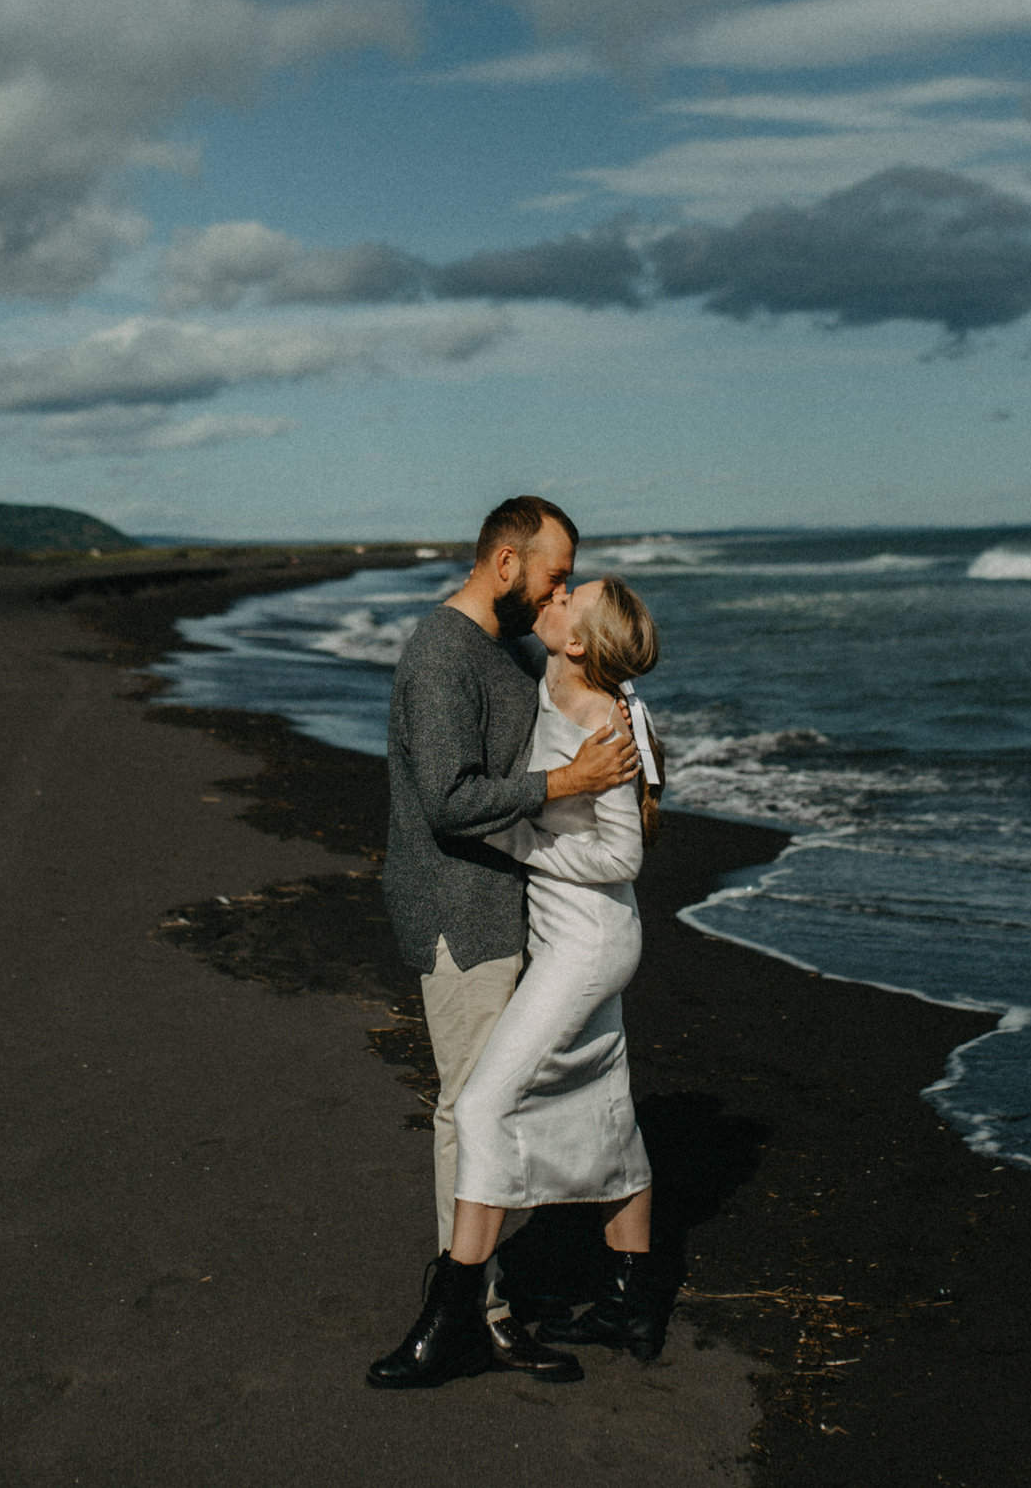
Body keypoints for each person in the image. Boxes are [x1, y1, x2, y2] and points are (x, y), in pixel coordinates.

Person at [365, 498, 641, 1392]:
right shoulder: (441, 654)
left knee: (487, 1104)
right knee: (469, 1109)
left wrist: (629, 727)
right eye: (555, 575)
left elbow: (585, 674)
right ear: (507, 564)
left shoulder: (506, 646)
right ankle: (473, 1319)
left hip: (503, 907)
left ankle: (476, 1309)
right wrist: (572, 780)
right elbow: (449, 798)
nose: (561, 590)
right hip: (463, 914)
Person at [455, 576, 670, 1361]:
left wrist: (516, 839)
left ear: (578, 639)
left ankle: (458, 1307)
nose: (557, 592)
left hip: (589, 943)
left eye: (569, 596)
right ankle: (631, 1304)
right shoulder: (553, 672)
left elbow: (623, 855)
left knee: (483, 1105)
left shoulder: (605, 722)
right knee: (608, 1107)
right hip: (567, 936)